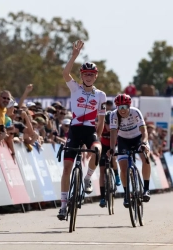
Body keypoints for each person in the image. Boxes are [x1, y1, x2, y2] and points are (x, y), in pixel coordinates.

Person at [57, 40, 106, 220]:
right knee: (67, 168)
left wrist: (98, 139)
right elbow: (65, 73)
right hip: (75, 130)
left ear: (96, 76)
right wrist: (74, 56)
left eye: (91, 74)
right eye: (85, 74)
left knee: (98, 150)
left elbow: (101, 120)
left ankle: (87, 179)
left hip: (89, 131)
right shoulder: (75, 88)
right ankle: (63, 206)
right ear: (82, 75)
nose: (88, 77)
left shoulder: (101, 95)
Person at [107, 94, 151, 208]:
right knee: (123, 167)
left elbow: (144, 131)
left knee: (146, 158)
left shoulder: (135, 112)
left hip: (138, 139)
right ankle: (126, 194)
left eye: (124, 107)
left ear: (129, 106)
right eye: (119, 107)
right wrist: (112, 148)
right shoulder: (113, 115)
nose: (122, 110)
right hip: (123, 140)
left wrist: (144, 143)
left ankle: (146, 189)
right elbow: (113, 133)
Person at [98, 111, 121, 208]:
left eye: (110, 124)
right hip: (103, 147)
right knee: (102, 171)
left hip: (114, 146)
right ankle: (102, 197)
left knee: (114, 159)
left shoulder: (117, 127)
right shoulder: (101, 127)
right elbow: (97, 138)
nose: (108, 126)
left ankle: (116, 175)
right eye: (107, 124)